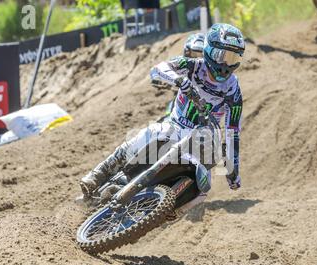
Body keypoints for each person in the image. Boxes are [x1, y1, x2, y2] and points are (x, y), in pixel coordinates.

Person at [80, 23, 245, 199]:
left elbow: (232, 132)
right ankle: (98, 175)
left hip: (202, 139)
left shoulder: (233, 90)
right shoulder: (193, 67)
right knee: (147, 134)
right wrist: (179, 80)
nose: (225, 64)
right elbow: (158, 69)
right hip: (175, 126)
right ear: (209, 50)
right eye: (222, 56)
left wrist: (232, 168)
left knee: (202, 192)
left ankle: (165, 210)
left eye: (233, 58)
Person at [153, 32, 205, 121]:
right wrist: (163, 80)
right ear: (187, 52)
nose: (198, 59)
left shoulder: (210, 71)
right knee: (165, 120)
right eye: (194, 55)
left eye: (201, 56)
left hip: (202, 107)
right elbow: (156, 70)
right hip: (180, 104)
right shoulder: (179, 64)